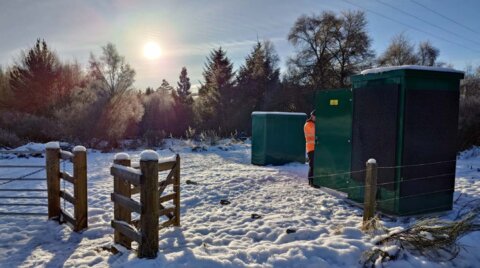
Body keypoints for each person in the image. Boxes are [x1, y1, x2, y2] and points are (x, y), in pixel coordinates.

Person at [304, 110, 316, 186]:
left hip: (315, 147)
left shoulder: (313, 124)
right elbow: (315, 133)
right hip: (311, 147)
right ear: (312, 116)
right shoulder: (309, 124)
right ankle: (311, 182)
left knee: (314, 165)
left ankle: (313, 181)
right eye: (315, 116)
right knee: (312, 165)